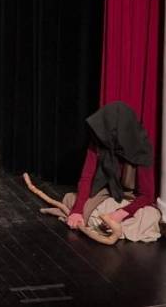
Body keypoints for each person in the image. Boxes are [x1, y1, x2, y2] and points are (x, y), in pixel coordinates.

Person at [64, 102, 160, 242]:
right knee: (75, 201)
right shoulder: (98, 142)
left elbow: (147, 195)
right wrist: (77, 210)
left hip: (130, 199)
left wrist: (121, 213)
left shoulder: (142, 148)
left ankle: (104, 224)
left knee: (150, 216)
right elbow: (87, 178)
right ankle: (107, 225)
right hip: (105, 195)